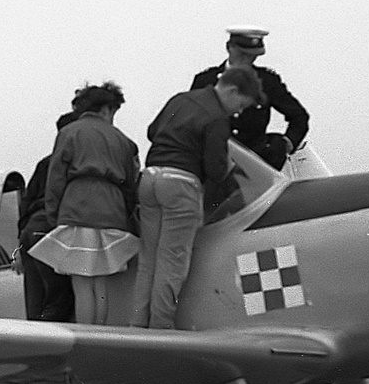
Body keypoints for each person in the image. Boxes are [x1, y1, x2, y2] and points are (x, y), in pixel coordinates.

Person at [131, 67, 263, 330]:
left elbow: (151, 131)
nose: (237, 111)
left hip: (150, 179)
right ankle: (160, 329)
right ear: (232, 90)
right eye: (241, 104)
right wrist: (227, 166)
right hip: (181, 186)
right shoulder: (217, 118)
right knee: (172, 261)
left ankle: (137, 327)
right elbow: (215, 170)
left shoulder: (180, 99)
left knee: (149, 259)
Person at [28, 83, 140, 326]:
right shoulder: (124, 141)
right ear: (106, 109)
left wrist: (53, 215)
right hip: (113, 210)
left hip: (77, 207)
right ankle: (103, 335)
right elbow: (131, 184)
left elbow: (56, 178)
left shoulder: (69, 133)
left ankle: (90, 339)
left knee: (82, 284)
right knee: (101, 284)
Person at [191, 27, 309, 170]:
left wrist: (284, 145)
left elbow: (299, 116)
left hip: (258, 167)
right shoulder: (205, 81)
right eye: (243, 54)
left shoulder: (267, 81)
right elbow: (190, 122)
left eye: (252, 56)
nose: (247, 59)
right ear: (229, 47)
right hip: (215, 165)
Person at [17, 109, 80, 322]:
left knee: (36, 303)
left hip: (30, 231)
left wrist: (18, 247)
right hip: (49, 229)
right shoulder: (76, 162)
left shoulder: (45, 163)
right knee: (60, 299)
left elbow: (25, 205)